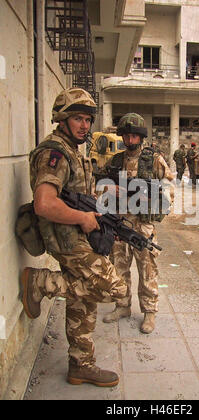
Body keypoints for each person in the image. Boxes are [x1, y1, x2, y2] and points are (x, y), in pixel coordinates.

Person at [21, 87, 127, 387]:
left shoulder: (73, 152)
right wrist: (83, 218)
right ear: (63, 119)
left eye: (88, 119)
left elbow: (78, 197)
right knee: (112, 289)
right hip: (66, 240)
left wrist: (103, 219)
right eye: (78, 118)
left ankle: (81, 365)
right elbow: (45, 203)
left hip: (78, 236)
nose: (85, 125)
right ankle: (43, 282)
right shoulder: (54, 153)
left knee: (84, 300)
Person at [98, 113, 174, 334]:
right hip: (118, 223)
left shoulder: (154, 160)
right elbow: (98, 187)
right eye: (126, 136)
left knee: (147, 269)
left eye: (134, 136)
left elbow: (169, 189)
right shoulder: (114, 161)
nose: (130, 141)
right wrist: (108, 189)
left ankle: (149, 312)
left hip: (142, 225)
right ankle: (122, 306)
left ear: (140, 137)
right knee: (118, 267)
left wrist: (147, 200)